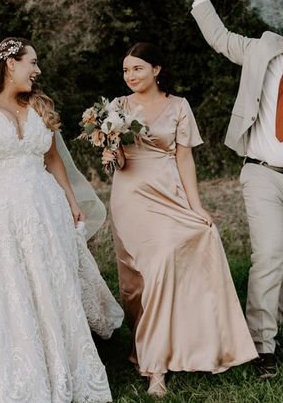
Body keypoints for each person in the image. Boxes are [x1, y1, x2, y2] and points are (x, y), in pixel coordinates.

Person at [0, 37, 118, 403]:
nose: (37, 70)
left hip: (43, 208)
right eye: (32, 62)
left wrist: (70, 199)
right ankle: (10, 360)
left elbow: (53, 160)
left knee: (50, 282)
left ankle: (59, 356)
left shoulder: (38, 105)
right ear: (9, 64)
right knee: (4, 287)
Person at [109, 41, 256, 397]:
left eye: (137, 68)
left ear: (156, 70)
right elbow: (117, 162)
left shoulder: (179, 106)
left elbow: (185, 159)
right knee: (143, 279)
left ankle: (173, 356)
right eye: (126, 70)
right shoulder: (115, 107)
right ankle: (149, 355)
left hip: (169, 192)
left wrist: (197, 206)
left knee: (194, 244)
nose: (130, 76)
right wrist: (110, 145)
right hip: (130, 197)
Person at [184, 0, 283, 378]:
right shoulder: (264, 50)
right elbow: (221, 39)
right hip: (262, 172)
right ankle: (263, 346)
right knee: (270, 255)